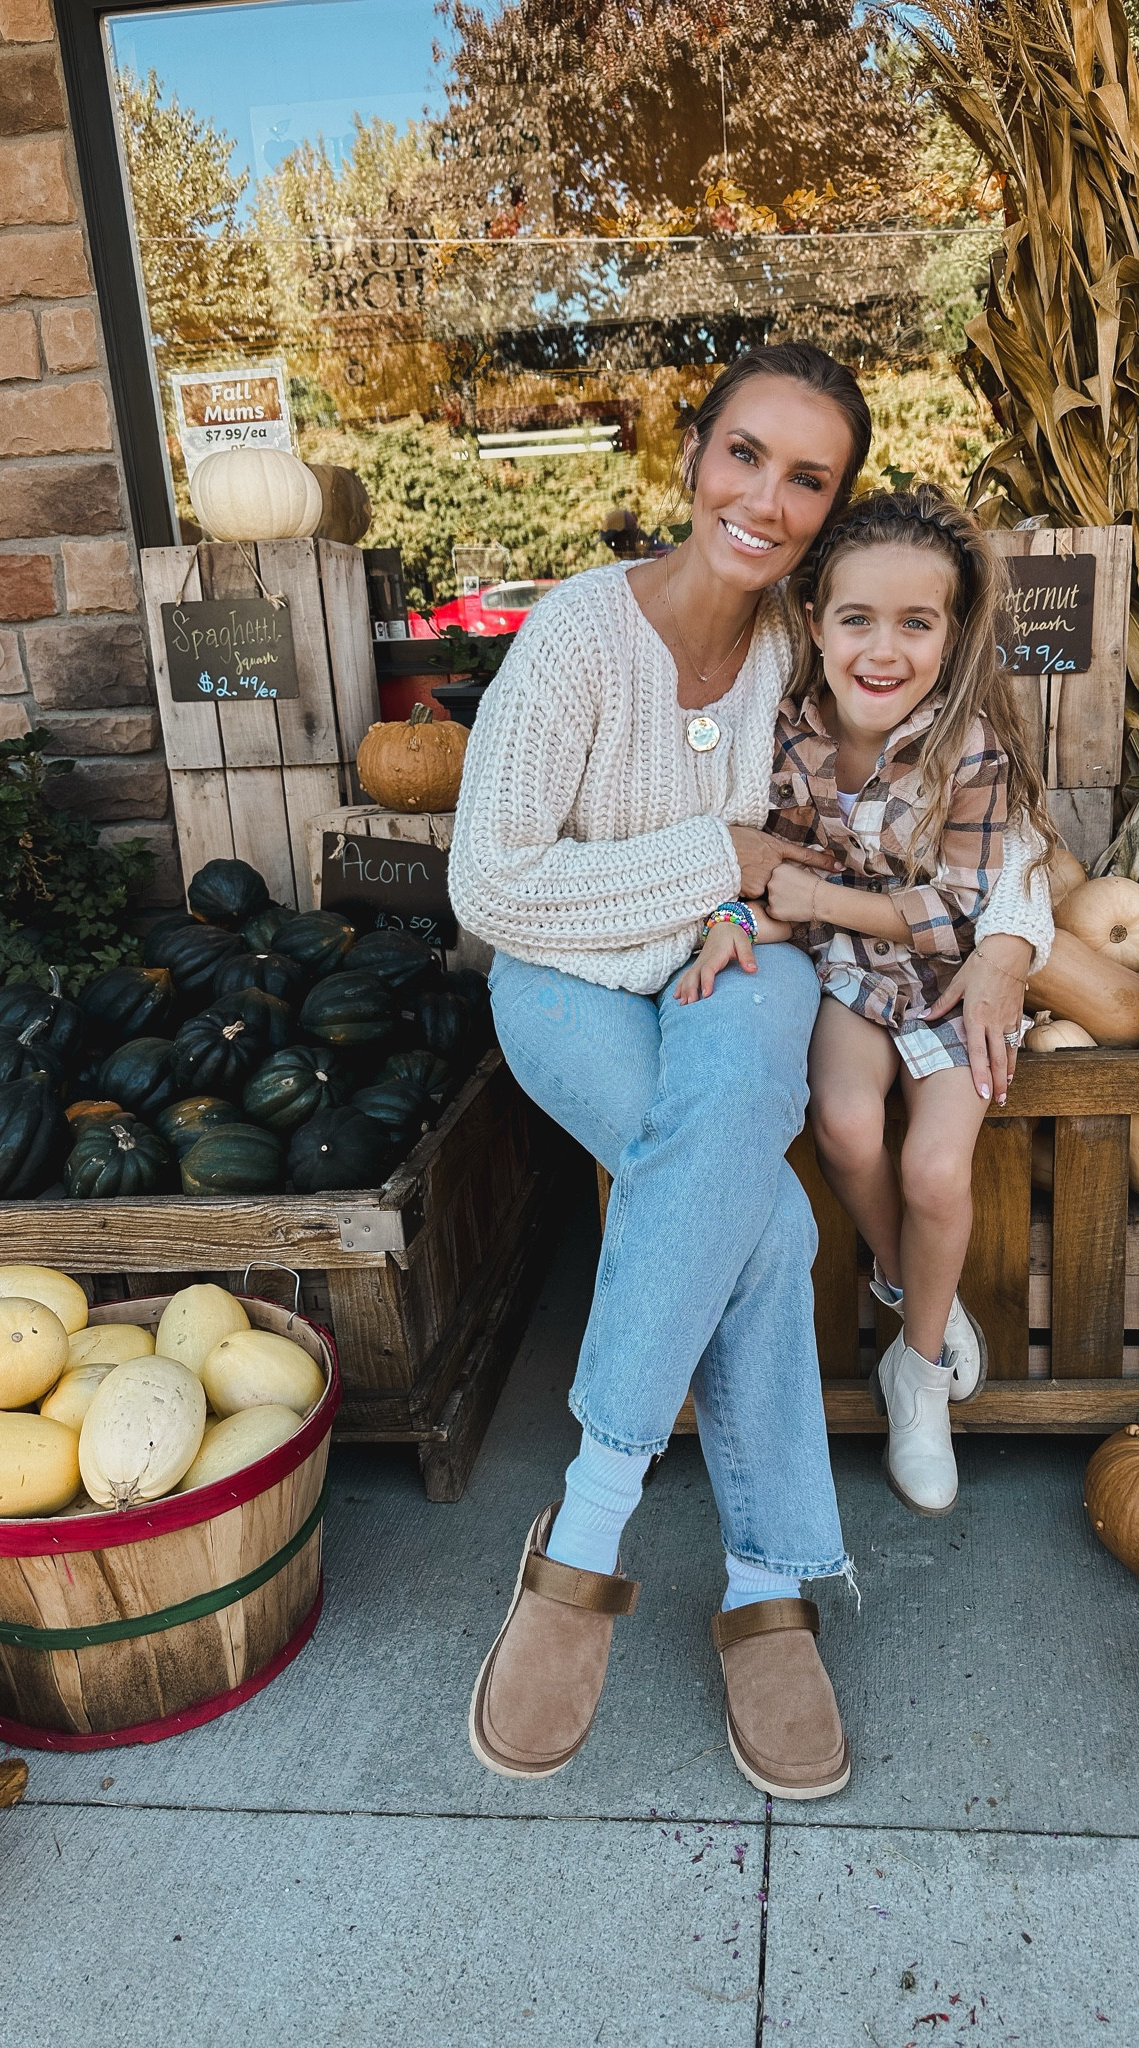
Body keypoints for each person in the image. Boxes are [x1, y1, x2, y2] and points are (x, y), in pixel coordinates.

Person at [449, 343, 1051, 1803]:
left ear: (830, 503)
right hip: (572, 976)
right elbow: (491, 890)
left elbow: (979, 820)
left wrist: (1006, 942)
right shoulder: (577, 642)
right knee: (764, 1219)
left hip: (750, 959)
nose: (767, 499)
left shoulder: (811, 643)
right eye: (745, 457)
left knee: (727, 1130)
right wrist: (712, 860)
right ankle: (761, 1579)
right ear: (692, 454)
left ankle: (582, 1547)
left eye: (807, 478)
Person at [676, 485, 1056, 1516]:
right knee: (844, 1122)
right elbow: (773, 875)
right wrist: (743, 917)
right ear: (815, 621)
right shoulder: (789, 737)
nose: (883, 649)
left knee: (937, 1164)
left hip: (951, 980)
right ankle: (909, 1286)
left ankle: (918, 1371)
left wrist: (816, 897)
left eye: (915, 622)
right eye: (857, 618)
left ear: (951, 631)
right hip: (849, 970)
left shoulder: (967, 749)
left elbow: (955, 913)